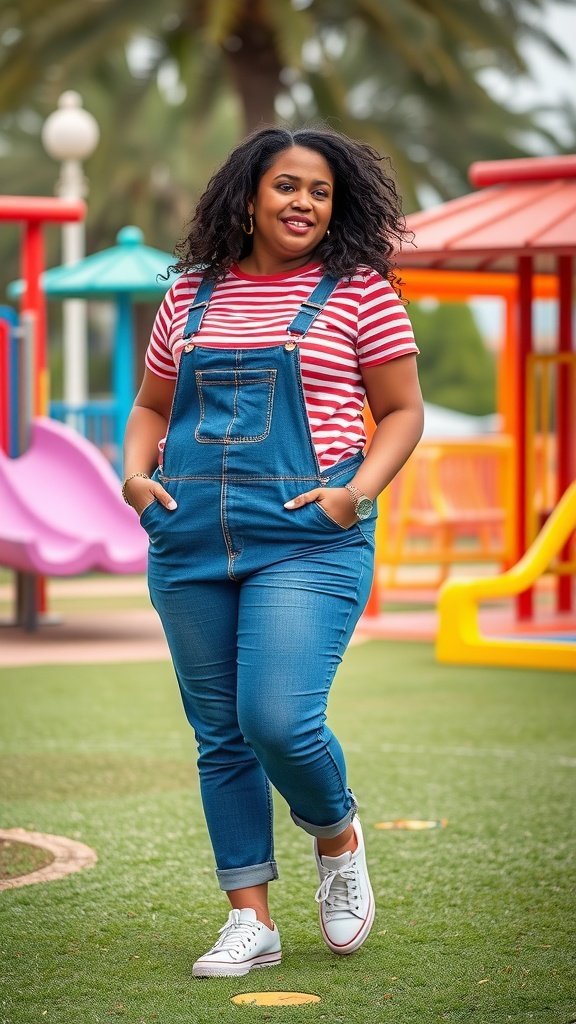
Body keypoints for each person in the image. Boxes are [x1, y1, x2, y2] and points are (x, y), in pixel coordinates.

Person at [122, 125, 423, 978]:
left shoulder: (360, 291)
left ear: (339, 207)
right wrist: (135, 477)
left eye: (321, 192)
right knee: (220, 734)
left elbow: (402, 412)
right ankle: (249, 919)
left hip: (307, 534)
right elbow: (151, 404)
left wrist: (355, 495)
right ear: (250, 195)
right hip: (188, 537)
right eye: (288, 186)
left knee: (277, 720)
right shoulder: (189, 295)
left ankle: (337, 834)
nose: (304, 203)